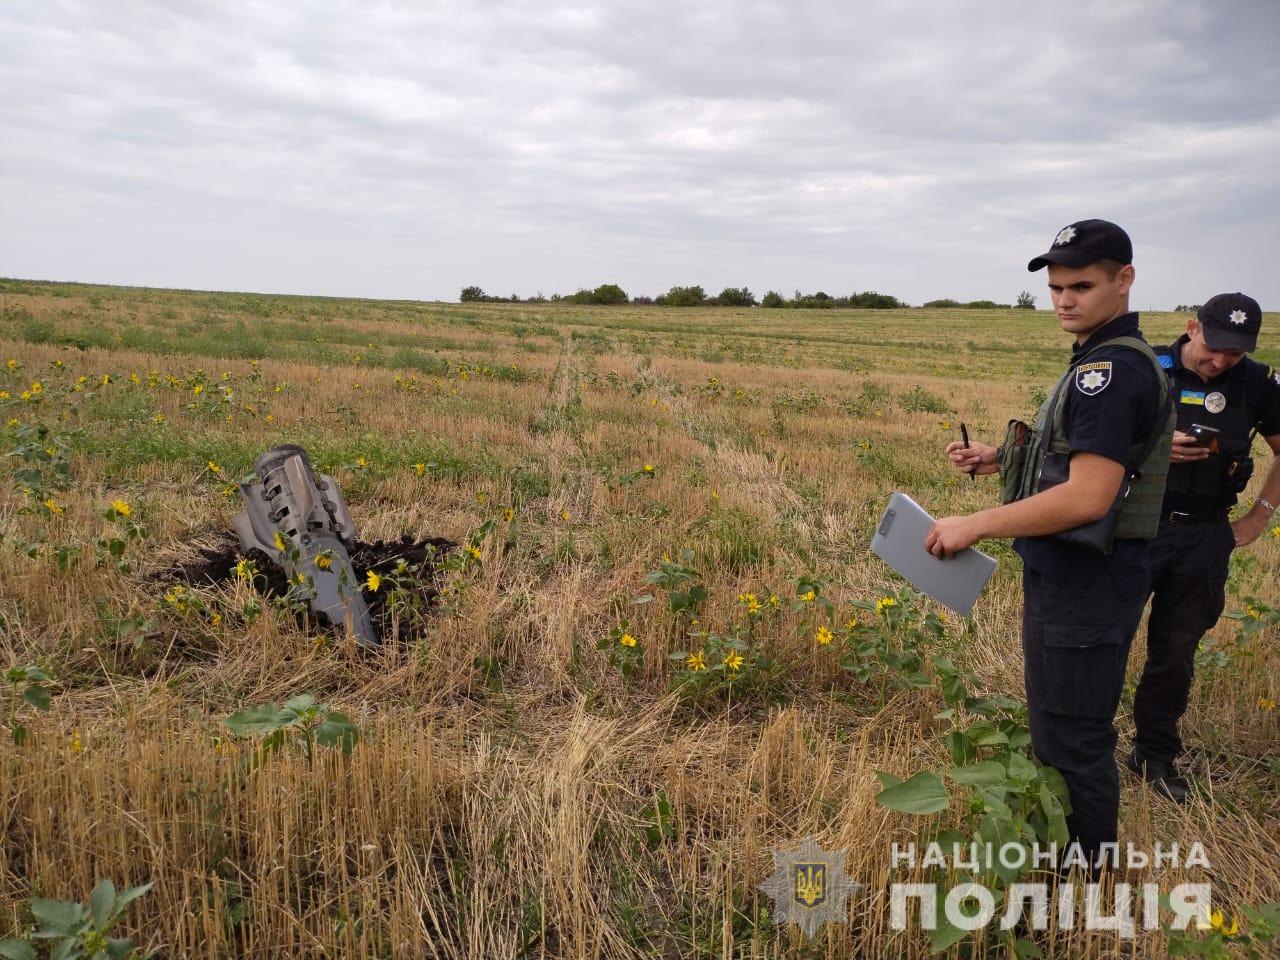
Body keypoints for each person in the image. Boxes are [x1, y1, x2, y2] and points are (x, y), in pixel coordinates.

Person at [924, 218, 1174, 872]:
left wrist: (973, 524)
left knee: (1074, 743)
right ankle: (1069, 865)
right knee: (1062, 731)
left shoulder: (1110, 373)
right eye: (1057, 286)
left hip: (1089, 583)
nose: (1064, 299)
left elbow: (1090, 496)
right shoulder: (1102, 358)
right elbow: (1075, 460)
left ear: (1125, 280)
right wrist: (999, 457)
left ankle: (1086, 881)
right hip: (1082, 576)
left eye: (1082, 285)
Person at [1128, 293, 1280, 802]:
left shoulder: (1258, 383)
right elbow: (1089, 440)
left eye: (1233, 354)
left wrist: (1259, 516)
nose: (1219, 361)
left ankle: (1154, 754)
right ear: (1192, 328)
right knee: (1105, 637)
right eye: (1213, 348)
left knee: (1175, 652)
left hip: (1204, 535)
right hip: (1136, 526)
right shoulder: (1146, 367)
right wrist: (1150, 447)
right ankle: (1082, 744)